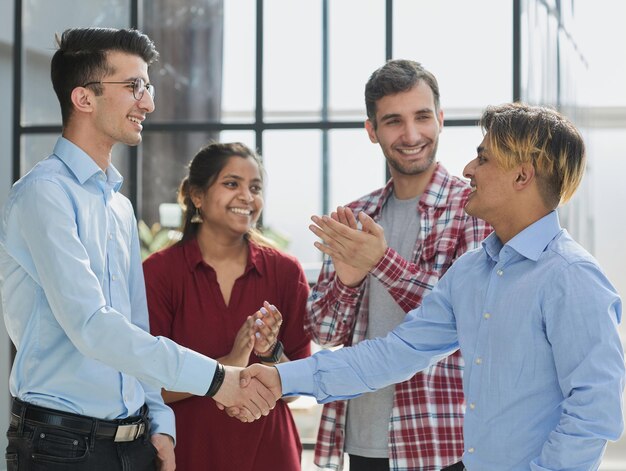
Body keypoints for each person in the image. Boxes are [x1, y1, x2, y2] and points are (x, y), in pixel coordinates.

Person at [244, 103, 626, 471]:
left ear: (522, 176)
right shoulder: (471, 272)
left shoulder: (572, 277)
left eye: (484, 158)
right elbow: (394, 354)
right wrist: (283, 377)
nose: (469, 168)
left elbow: (594, 412)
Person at [0, 28, 275, 471]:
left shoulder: (118, 207)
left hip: (134, 442)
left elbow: (134, 328)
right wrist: (217, 379)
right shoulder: (43, 195)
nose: (147, 102)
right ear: (84, 99)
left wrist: (161, 422)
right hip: (61, 448)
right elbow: (93, 326)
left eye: (146, 87)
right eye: (134, 86)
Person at [305, 59, 491, 470]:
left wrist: (381, 262)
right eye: (393, 121)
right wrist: (348, 283)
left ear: (440, 119)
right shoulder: (354, 218)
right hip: (364, 441)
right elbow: (323, 331)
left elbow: (466, 316)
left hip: (444, 442)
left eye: (422, 117)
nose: (411, 135)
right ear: (372, 131)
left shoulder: (474, 209)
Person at [143, 141, 311, 471]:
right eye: (232, 184)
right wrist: (226, 366)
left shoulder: (286, 272)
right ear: (197, 196)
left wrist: (270, 351)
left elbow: (296, 390)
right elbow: (147, 387)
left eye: (255, 187)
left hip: (271, 456)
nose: (247, 197)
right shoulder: (159, 273)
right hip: (189, 454)